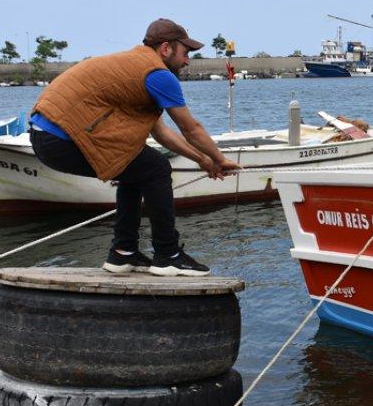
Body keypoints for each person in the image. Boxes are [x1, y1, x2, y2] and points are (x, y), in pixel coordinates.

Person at [29, 18, 240, 276]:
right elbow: (191, 128)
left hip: (45, 136)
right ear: (166, 49)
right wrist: (219, 159)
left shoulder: (137, 66)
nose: (187, 61)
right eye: (185, 53)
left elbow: (161, 133)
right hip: (62, 137)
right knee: (158, 168)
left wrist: (203, 160)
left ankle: (123, 253)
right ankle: (168, 255)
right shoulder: (159, 75)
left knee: (136, 166)